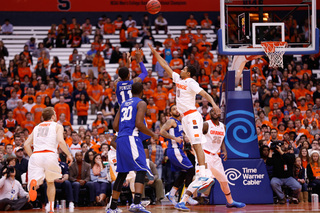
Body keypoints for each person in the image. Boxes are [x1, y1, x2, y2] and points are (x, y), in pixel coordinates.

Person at [149, 43, 220, 205]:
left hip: (193, 116)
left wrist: (214, 104)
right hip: (186, 118)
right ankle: (198, 174)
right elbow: (165, 65)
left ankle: (202, 173)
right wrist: (154, 52)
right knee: (194, 146)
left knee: (197, 145)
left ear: (188, 72)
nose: (180, 69)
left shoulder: (191, 83)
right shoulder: (177, 78)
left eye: (183, 68)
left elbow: (204, 93)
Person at [106, 82, 158, 213]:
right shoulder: (141, 103)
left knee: (122, 173)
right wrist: (152, 134)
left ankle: (112, 208)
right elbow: (139, 124)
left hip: (121, 138)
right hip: (131, 138)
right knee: (141, 168)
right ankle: (136, 203)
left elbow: (115, 126)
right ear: (142, 92)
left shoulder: (123, 104)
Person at [24, 107, 73, 213]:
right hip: (50, 155)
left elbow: (26, 144)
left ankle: (34, 184)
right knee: (50, 182)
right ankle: (50, 208)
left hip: (36, 155)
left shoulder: (36, 127)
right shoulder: (57, 126)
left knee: (37, 180)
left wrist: (32, 156)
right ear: (52, 116)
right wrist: (69, 154)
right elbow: (60, 141)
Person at [202, 109, 245, 209]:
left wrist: (224, 150)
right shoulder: (206, 124)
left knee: (224, 180)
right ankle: (185, 199)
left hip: (216, 156)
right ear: (210, 115)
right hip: (205, 154)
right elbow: (197, 137)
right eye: (212, 112)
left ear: (219, 113)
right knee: (205, 178)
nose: (214, 113)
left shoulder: (223, 127)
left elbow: (222, 140)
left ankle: (230, 202)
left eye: (216, 111)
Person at [160, 104, 196, 206]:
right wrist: (174, 139)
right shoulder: (171, 120)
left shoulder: (179, 122)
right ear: (170, 113)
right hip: (174, 150)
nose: (176, 110)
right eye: (173, 109)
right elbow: (162, 131)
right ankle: (187, 196)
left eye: (177, 108)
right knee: (191, 169)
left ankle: (171, 194)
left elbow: (180, 136)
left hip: (179, 150)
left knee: (184, 172)